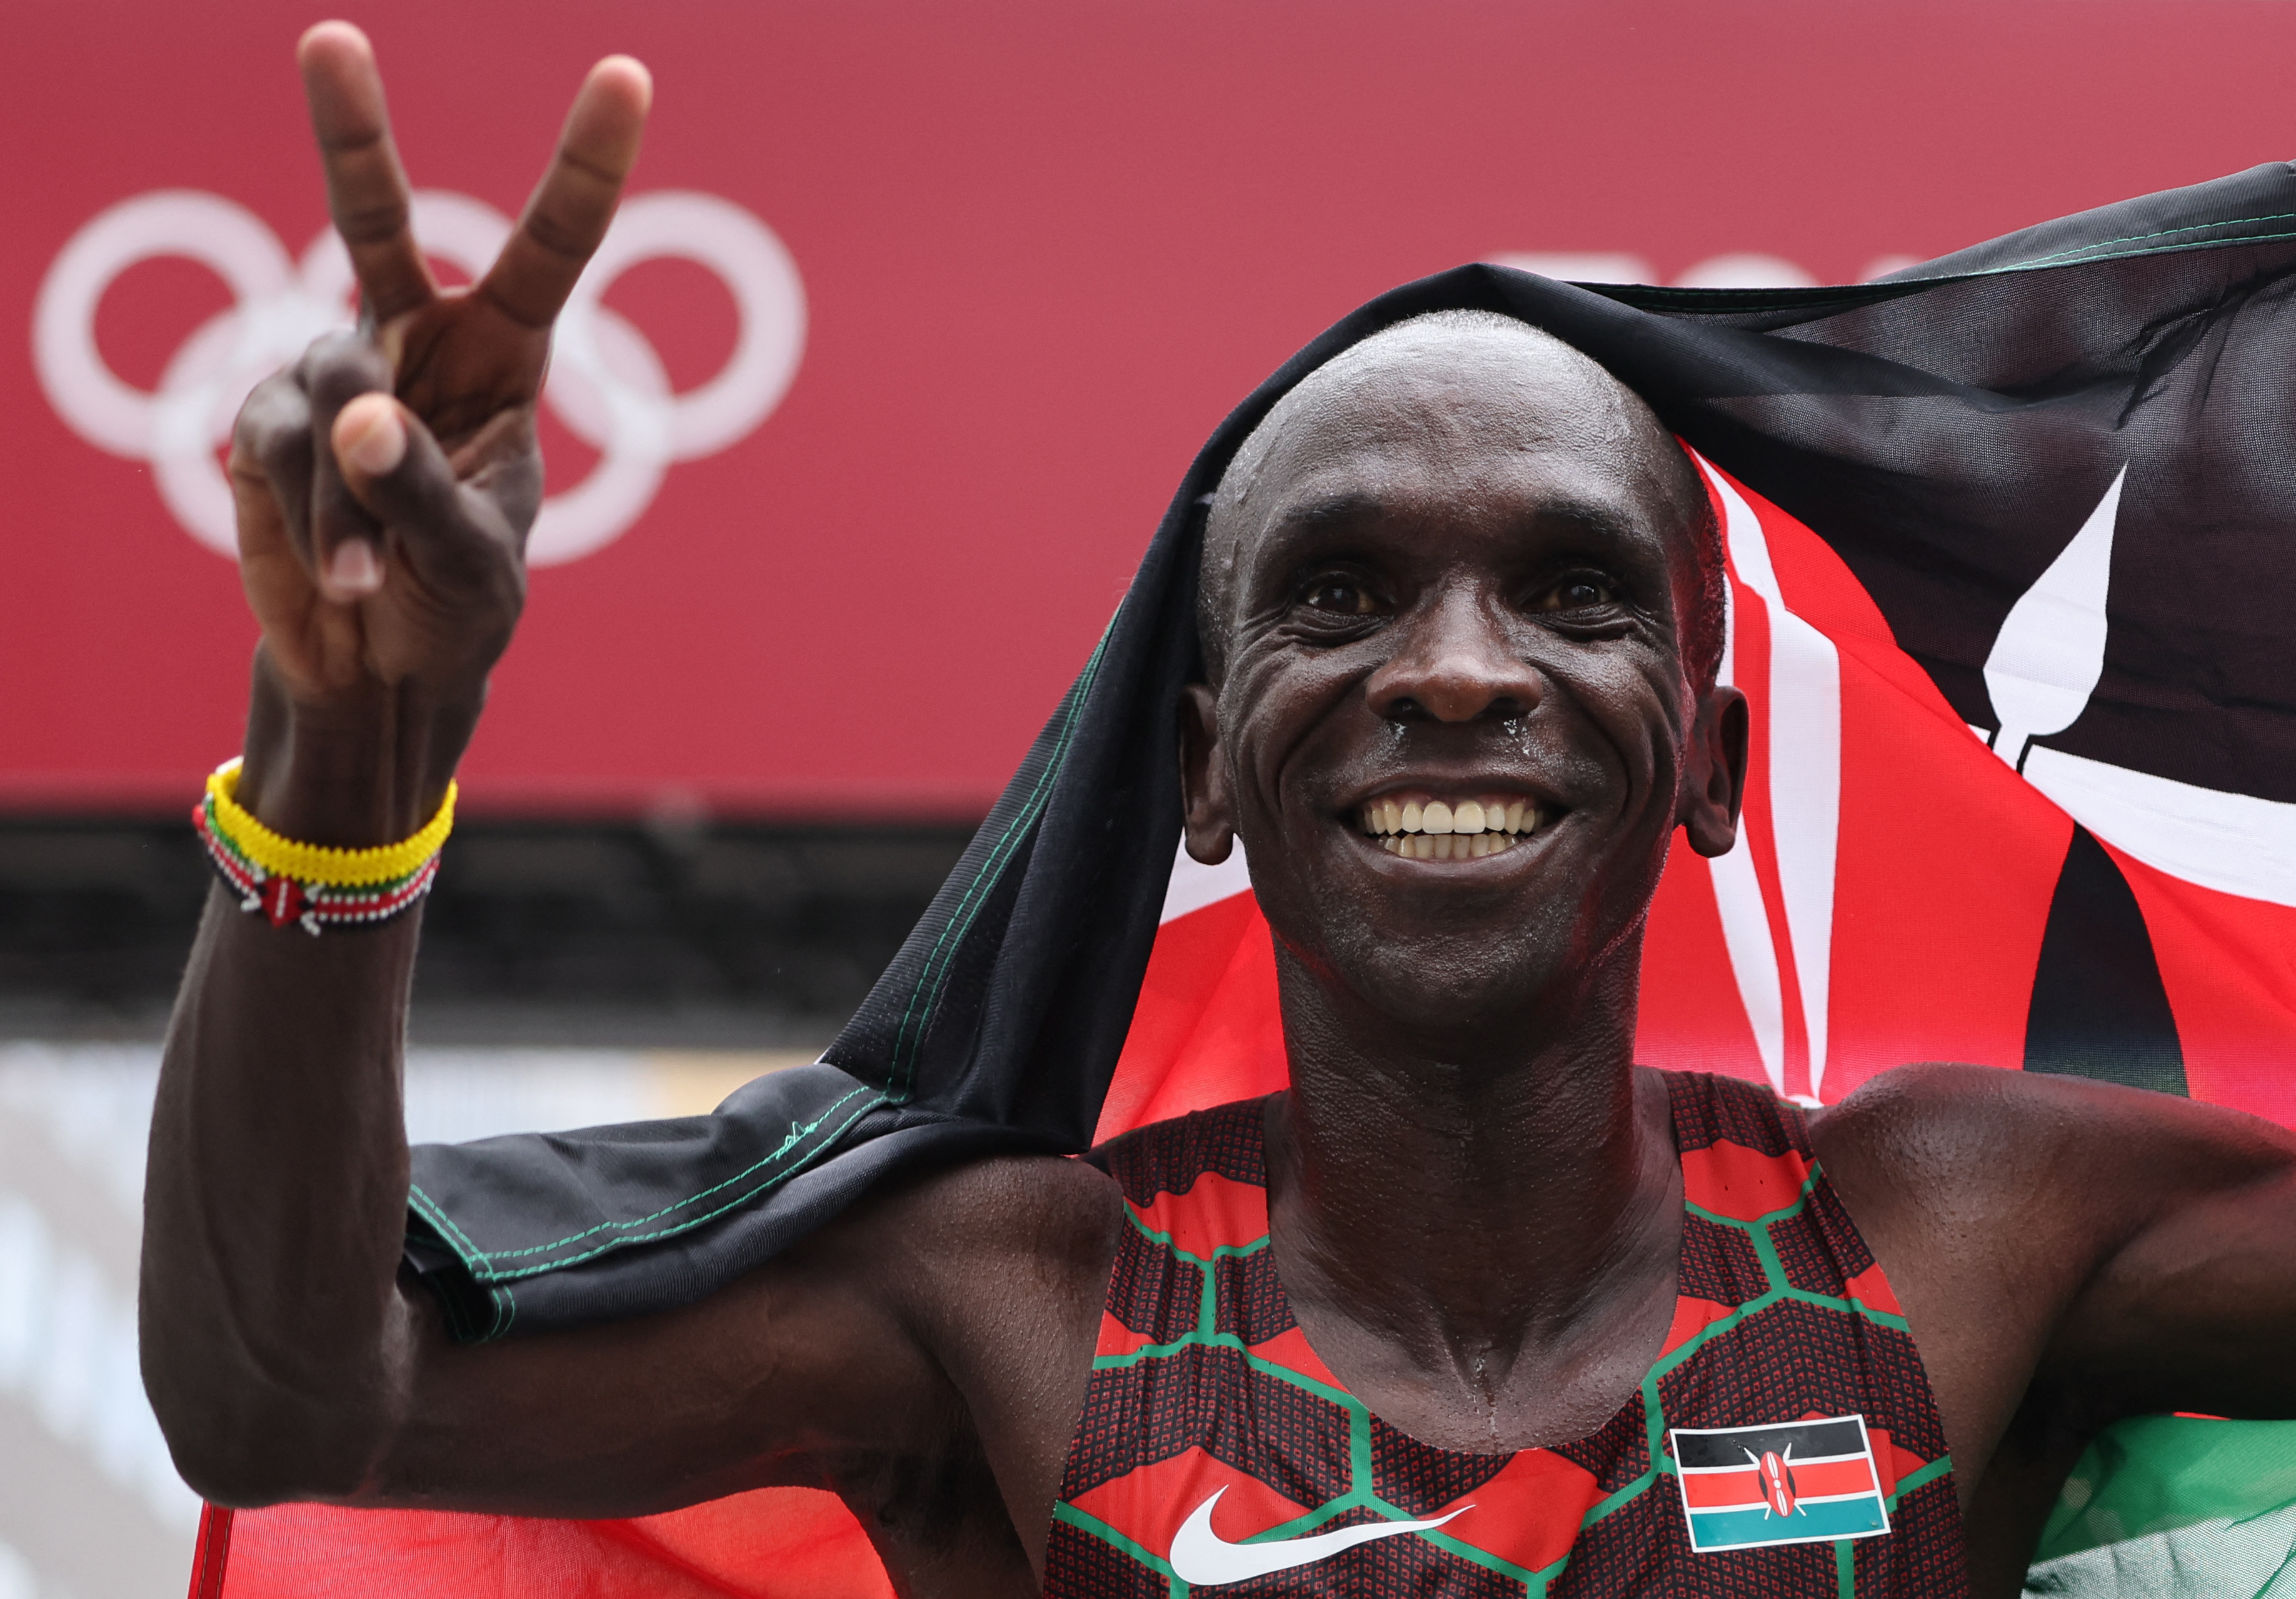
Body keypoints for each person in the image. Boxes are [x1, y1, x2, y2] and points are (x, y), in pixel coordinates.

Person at [139, 21, 2296, 1598]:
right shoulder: (1009, 1303)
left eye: (1569, 592)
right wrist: (356, 748)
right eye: (1340, 593)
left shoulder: (1956, 1232)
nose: (1455, 669)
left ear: (1711, 761)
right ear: (1197, 762)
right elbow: (285, 1396)